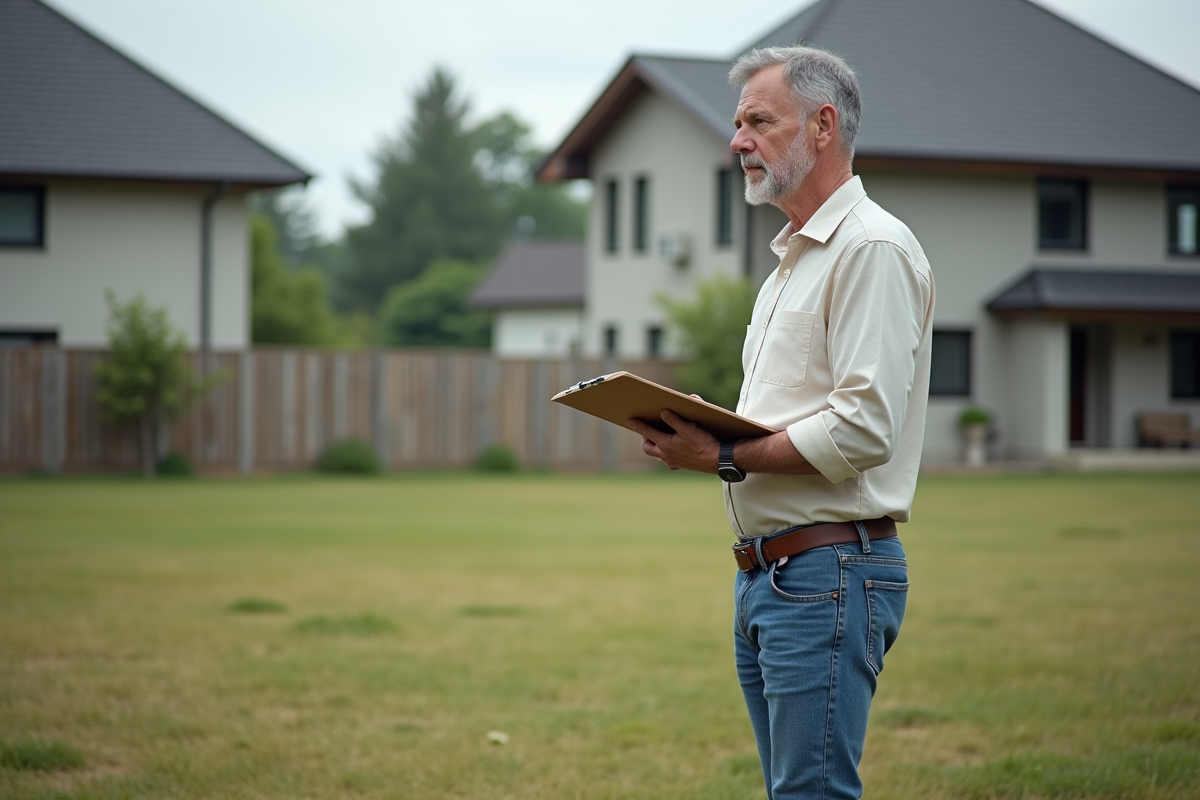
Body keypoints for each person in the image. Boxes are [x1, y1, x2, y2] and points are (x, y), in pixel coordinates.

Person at [627, 45, 935, 800]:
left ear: (823, 125)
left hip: (826, 574)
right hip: (774, 575)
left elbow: (864, 430)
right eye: (738, 124)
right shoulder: (790, 265)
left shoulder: (871, 249)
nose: (737, 141)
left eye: (759, 121)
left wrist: (724, 458)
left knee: (810, 795)